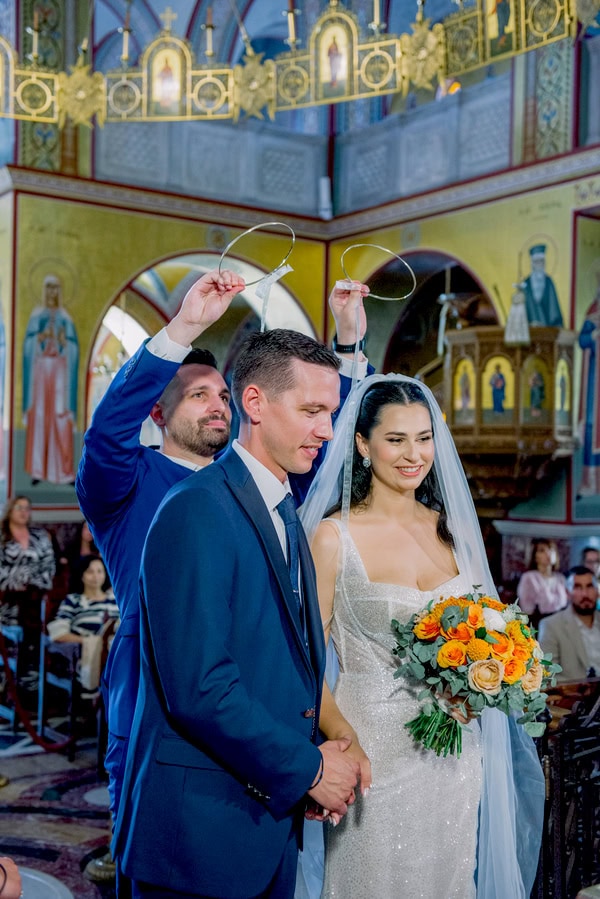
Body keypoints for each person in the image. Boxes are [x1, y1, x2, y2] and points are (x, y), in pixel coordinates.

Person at [76, 268, 370, 891]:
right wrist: (184, 328)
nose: (216, 404)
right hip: (160, 700)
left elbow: (321, 433)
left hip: (256, 728)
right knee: (155, 840)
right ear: (159, 411)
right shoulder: (135, 483)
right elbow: (105, 434)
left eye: (221, 394)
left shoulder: (272, 491)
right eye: (196, 395)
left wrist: (347, 346)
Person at [300, 374, 545, 899]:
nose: (414, 455)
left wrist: (482, 685)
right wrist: (343, 737)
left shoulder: (449, 529)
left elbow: (486, 630)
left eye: (424, 438)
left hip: (455, 754)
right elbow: (303, 661)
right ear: (363, 445)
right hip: (370, 747)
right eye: (396, 439)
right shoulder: (333, 537)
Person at [22, 273, 79, 485]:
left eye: (56, 288)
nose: (52, 292)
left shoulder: (66, 317)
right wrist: (40, 338)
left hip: (60, 372)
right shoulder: (36, 315)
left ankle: (63, 472)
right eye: (49, 288)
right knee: (39, 418)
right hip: (40, 372)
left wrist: (65, 343)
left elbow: (73, 347)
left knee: (60, 417)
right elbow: (28, 346)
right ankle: (38, 471)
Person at [0, 495, 56, 685]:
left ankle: (29, 687)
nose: (24, 512)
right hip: (6, 605)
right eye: (19, 507)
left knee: (32, 648)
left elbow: (49, 567)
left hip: (34, 604)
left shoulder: (39, 536)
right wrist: (18, 580)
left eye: (27, 508)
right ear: (10, 510)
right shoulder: (2, 537)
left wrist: (32, 583)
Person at [538, 566, 600, 682]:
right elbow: (547, 673)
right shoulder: (551, 625)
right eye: (577, 587)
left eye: (589, 586)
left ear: (597, 591)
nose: (585, 594)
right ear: (567, 593)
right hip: (575, 692)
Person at [47, 555, 118, 649]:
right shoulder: (73, 600)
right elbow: (58, 634)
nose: (96, 576)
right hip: (85, 652)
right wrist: (89, 642)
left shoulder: (116, 600)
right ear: (81, 575)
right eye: (90, 572)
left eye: (100, 571)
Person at [577, 276, 600, 498]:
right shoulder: (593, 310)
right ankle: (590, 482)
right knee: (592, 425)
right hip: (595, 379)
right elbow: (582, 339)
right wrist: (593, 336)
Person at [517, 538, 568, 629]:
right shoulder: (529, 578)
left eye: (551, 549)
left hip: (561, 625)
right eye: (542, 551)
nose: (548, 553)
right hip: (538, 625)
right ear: (535, 556)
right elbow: (526, 609)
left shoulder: (561, 578)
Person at [520, 244, 563, 327]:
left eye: (542, 261)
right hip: (530, 330)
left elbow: (554, 310)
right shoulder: (525, 285)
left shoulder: (548, 282)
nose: (539, 264)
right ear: (532, 264)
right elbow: (521, 312)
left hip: (548, 330)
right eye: (537, 262)